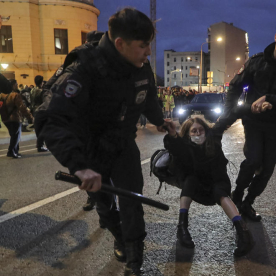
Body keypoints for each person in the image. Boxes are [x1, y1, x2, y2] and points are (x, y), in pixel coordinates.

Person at [38, 8, 167, 275]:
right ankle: (118, 235)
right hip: (91, 152)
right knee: (104, 204)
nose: (148, 53)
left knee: (132, 202)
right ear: (120, 44)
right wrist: (78, 166)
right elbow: (51, 118)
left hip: (123, 146)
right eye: (143, 46)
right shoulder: (85, 67)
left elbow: (148, 95)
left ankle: (134, 261)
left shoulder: (140, 64)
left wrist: (160, 120)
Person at [213, 21, 276, 222]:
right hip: (253, 121)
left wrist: (270, 99)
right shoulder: (256, 62)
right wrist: (229, 113)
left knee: (268, 166)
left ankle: (248, 203)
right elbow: (235, 87)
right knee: (254, 159)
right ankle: (237, 193)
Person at [163, 117, 254, 256]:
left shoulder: (213, 143)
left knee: (220, 192)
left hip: (216, 182)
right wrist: (173, 134)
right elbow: (176, 147)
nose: (198, 134)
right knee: (190, 181)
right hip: (197, 186)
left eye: (201, 130)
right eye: (194, 131)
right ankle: (182, 228)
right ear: (188, 134)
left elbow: (229, 115)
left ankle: (244, 233)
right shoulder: (185, 147)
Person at [81, 30, 105, 213]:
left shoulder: (109, 63)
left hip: (106, 127)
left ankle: (106, 209)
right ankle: (95, 200)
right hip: (88, 128)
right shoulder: (79, 62)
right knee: (91, 166)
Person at [0, 75, 34, 158]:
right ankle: (11, 151)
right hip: (14, 118)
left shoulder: (2, 95)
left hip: (5, 118)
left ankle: (16, 151)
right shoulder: (15, 95)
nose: (17, 86)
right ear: (13, 85)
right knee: (16, 136)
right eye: (16, 84)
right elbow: (22, 108)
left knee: (14, 135)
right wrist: (30, 117)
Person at [30, 75, 49, 152]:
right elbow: (45, 102)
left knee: (38, 129)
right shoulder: (42, 91)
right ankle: (40, 145)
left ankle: (39, 145)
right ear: (41, 82)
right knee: (43, 129)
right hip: (41, 111)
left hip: (34, 110)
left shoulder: (32, 90)